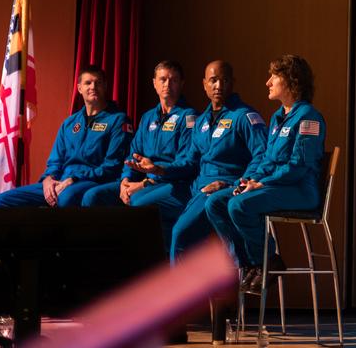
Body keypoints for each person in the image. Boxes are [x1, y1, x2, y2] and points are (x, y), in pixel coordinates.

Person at [205, 54, 326, 293]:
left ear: (292, 81)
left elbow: (298, 166)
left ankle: (268, 261)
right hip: (275, 186)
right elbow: (268, 160)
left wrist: (262, 184)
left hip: (300, 190)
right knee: (216, 202)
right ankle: (248, 264)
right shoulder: (277, 117)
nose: (268, 82)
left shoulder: (309, 117)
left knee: (239, 206)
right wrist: (250, 180)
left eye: (274, 77)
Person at [126, 60, 266, 262]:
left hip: (219, 190)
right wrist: (159, 169)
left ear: (233, 83)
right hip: (194, 187)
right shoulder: (202, 121)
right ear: (204, 84)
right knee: (143, 210)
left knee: (181, 234)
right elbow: (189, 162)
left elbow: (262, 156)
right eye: (213, 80)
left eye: (224, 80)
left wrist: (234, 184)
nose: (218, 86)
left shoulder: (244, 116)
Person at [0, 64, 131, 208]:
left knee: (64, 199)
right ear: (79, 88)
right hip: (61, 181)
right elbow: (55, 161)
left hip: (92, 181)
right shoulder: (70, 123)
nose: (93, 86)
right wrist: (48, 179)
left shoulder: (118, 120)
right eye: (88, 83)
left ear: (105, 87)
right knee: (1, 201)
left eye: (98, 83)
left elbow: (111, 166)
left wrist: (75, 178)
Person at [80, 61, 196, 220]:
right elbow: (132, 154)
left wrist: (152, 175)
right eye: (162, 79)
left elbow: (187, 164)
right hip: (140, 180)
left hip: (170, 182)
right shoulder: (148, 117)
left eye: (173, 80)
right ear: (154, 83)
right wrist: (125, 180)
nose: (167, 84)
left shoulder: (189, 117)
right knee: (93, 196)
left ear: (182, 84)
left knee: (137, 203)